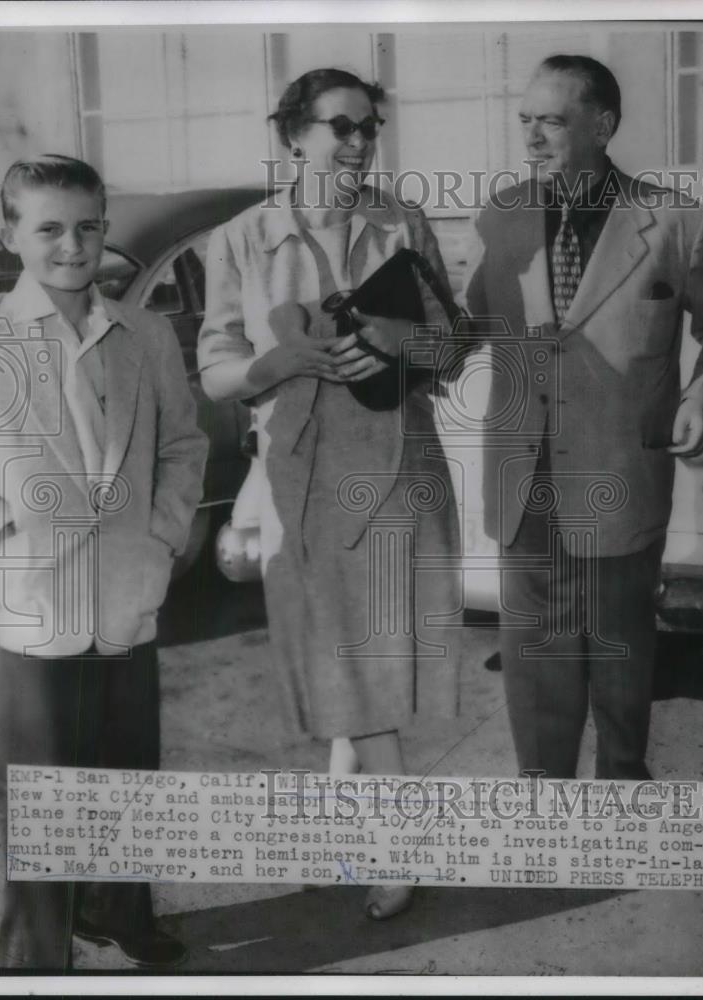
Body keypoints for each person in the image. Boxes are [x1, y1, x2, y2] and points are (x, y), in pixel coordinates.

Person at [198, 68, 462, 919]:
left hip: (395, 474)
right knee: (342, 666)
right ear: (294, 136)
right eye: (340, 127)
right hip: (298, 481)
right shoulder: (240, 240)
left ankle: (380, 849)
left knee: (364, 670)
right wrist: (273, 366)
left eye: (368, 129)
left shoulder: (402, 223)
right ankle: (365, 842)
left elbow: (450, 347)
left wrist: (399, 336)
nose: (357, 144)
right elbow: (215, 370)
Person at [463, 55, 703, 779]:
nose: (531, 138)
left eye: (551, 120)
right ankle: (546, 803)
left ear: (602, 125)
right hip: (524, 478)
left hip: (621, 473)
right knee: (535, 654)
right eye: (525, 120)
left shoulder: (677, 221)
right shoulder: (500, 217)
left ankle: (622, 791)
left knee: (618, 647)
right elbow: (466, 328)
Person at [0, 155, 208, 968]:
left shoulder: (142, 332)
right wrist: (6, 536)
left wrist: (163, 535)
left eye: (87, 226)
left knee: (127, 775)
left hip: (126, 595)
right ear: (10, 235)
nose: (71, 246)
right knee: (41, 795)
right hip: (35, 604)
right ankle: (36, 958)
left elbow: (184, 444)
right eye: (47, 228)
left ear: (105, 229)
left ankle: (119, 913)